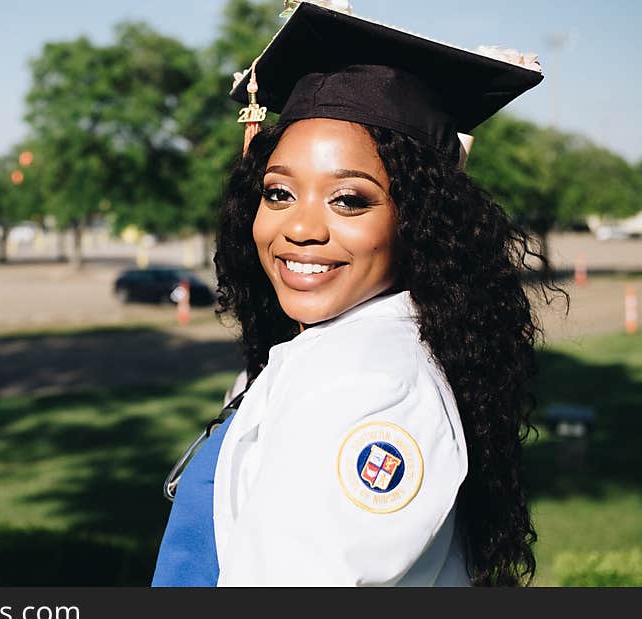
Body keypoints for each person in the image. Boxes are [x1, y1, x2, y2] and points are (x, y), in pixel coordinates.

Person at [153, 1, 563, 587]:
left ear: (419, 222)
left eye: (349, 200)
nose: (301, 227)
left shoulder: (368, 386)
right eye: (278, 193)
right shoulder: (327, 349)